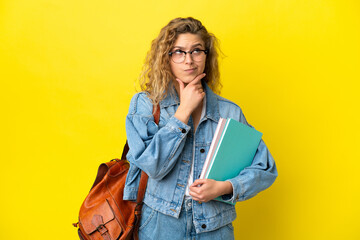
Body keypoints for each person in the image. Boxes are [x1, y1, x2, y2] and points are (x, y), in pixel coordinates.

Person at [123, 17, 278, 240]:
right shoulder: (145, 104)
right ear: (165, 58)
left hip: (215, 227)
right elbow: (153, 167)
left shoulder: (229, 112)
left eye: (196, 51)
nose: (189, 60)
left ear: (207, 56)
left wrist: (225, 187)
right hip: (160, 225)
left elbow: (265, 168)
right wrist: (182, 112)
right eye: (178, 52)